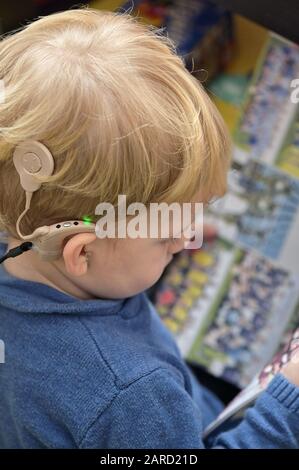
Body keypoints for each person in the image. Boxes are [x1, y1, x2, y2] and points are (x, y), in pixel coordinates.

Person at [0, 7, 298, 449]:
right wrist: (287, 403)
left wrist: (152, 241)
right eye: (165, 234)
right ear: (80, 252)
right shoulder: (131, 396)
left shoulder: (26, 235)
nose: (185, 236)